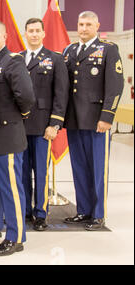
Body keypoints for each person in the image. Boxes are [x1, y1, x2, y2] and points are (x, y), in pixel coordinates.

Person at [63, 11, 124, 230]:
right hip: (74, 120)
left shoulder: (108, 50)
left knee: (98, 169)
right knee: (79, 167)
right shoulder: (69, 51)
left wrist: (107, 116)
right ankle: (83, 210)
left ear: (97, 26)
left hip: (97, 120)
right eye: (81, 24)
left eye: (89, 24)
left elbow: (115, 86)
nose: (84, 28)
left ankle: (98, 214)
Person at [0, 20, 35, 256]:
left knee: (10, 188)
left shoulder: (12, 61)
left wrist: (17, 117)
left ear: (5, 36)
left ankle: (16, 236)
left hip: (8, 134)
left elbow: (27, 97)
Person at [21, 18, 69, 231]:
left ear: (43, 34)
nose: (33, 34)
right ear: (25, 33)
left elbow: (61, 93)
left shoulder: (54, 59)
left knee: (41, 172)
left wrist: (55, 124)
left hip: (43, 127)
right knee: (21, 172)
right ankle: (23, 210)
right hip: (19, 127)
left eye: (37, 31)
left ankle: (41, 213)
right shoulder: (16, 58)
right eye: (30, 30)